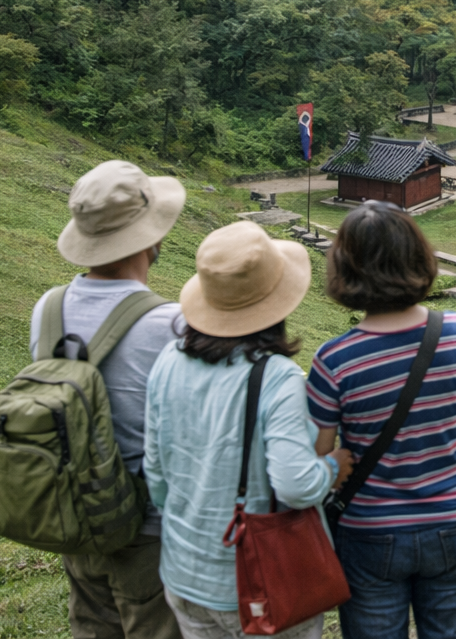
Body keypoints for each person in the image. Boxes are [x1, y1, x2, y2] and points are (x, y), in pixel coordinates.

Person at [308, 201, 456, 639]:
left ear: (344, 268)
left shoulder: (333, 361)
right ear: (419, 256)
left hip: (368, 531)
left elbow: (320, 456)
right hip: (454, 519)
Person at [143, 220, 349, 639]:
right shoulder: (277, 377)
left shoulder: (168, 359)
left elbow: (157, 476)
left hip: (184, 575)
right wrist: (332, 467)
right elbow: (294, 485)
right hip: (262, 583)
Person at [35, 160, 188, 639]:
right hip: (148, 531)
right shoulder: (171, 324)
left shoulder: (49, 307)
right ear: (150, 236)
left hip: (77, 517)